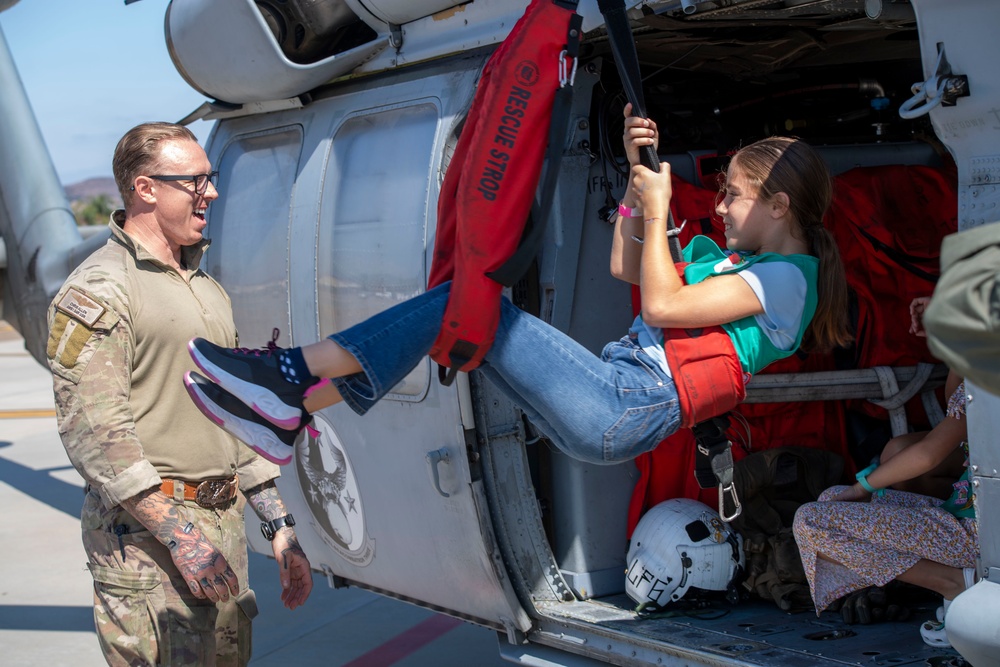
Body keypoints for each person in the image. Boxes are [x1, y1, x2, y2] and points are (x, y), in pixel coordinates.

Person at [182, 107, 850, 474]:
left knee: (470, 308)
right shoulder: (733, 264)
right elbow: (627, 264)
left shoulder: (787, 282)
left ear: (781, 205)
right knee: (458, 323)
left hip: (624, 403)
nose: (724, 207)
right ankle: (295, 404)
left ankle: (291, 374)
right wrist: (636, 182)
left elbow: (660, 305)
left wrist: (662, 202)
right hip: (613, 393)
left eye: (733, 194)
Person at [46, 122, 313, 666]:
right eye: (194, 181)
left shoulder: (205, 289)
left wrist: (281, 528)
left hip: (220, 529)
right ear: (146, 189)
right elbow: (97, 435)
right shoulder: (100, 290)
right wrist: (180, 537)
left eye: (209, 179)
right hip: (147, 544)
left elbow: (236, 416)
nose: (210, 192)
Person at [792, 297, 978, 648]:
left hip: (979, 537)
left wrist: (862, 486)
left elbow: (929, 453)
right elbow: (954, 400)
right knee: (831, 501)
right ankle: (960, 584)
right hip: (970, 523)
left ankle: (957, 584)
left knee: (813, 520)